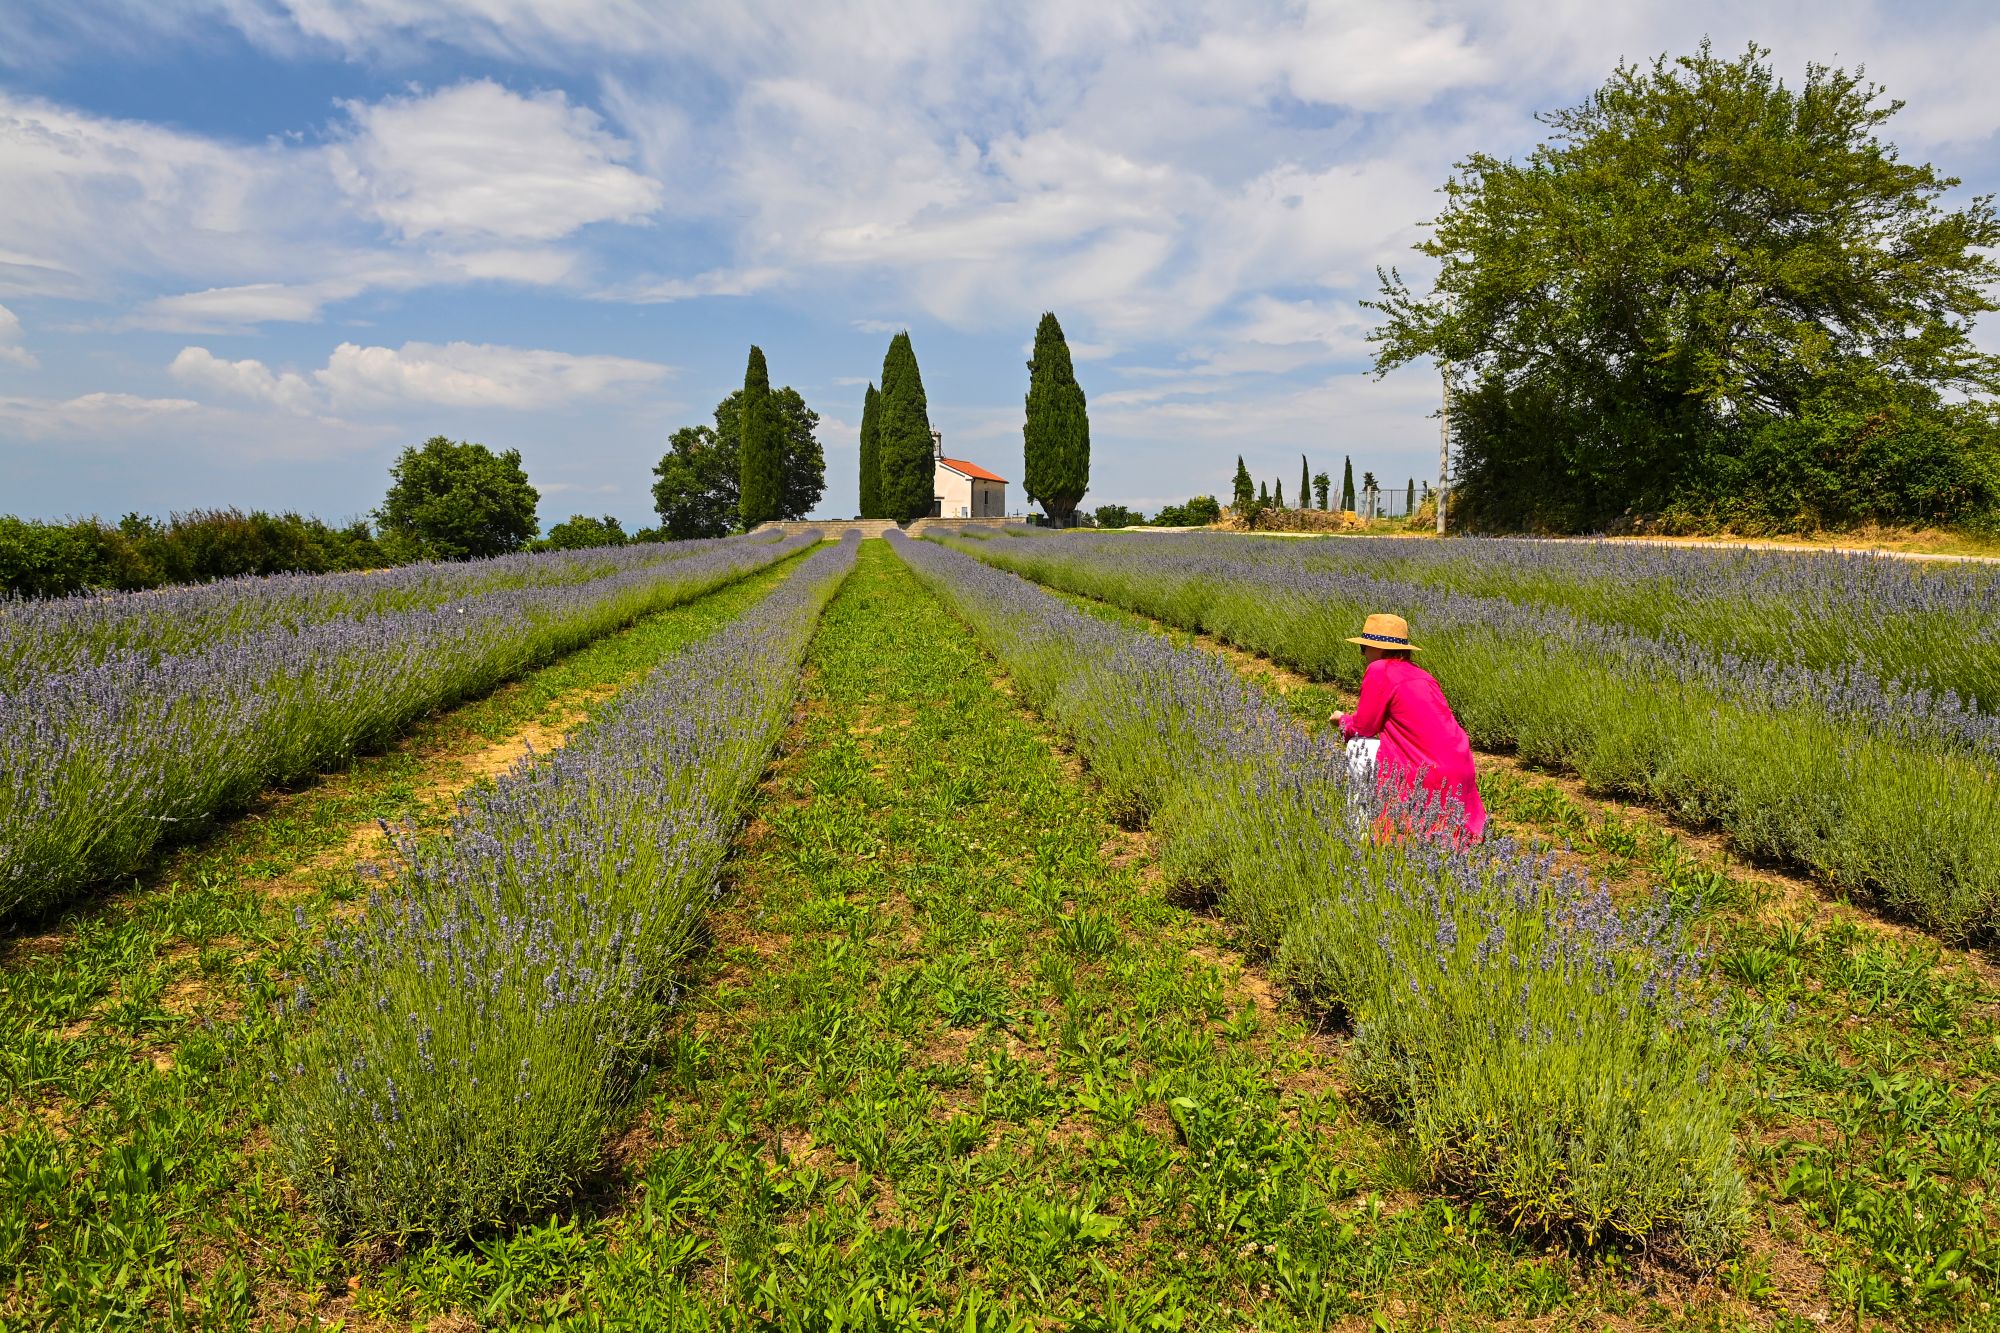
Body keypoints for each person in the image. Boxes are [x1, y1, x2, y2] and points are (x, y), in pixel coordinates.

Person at [1331, 613, 1486, 840]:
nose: (1363, 654)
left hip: (1426, 771)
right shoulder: (1422, 675)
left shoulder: (1379, 670)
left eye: (1364, 647)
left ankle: (1361, 832)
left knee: (1357, 746)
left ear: (1378, 648)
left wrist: (1342, 720)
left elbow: (1365, 726)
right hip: (1460, 767)